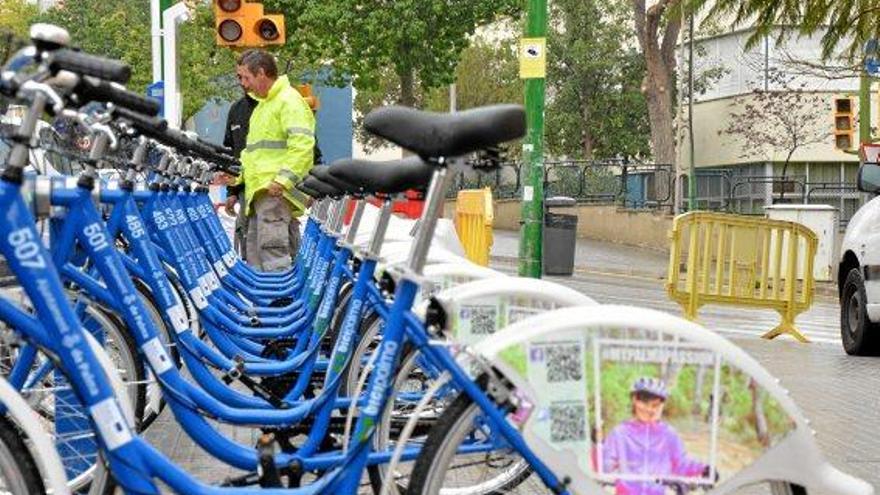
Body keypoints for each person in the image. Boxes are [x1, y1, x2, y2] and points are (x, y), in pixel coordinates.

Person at [232, 49, 315, 272]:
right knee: (258, 255)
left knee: (273, 255)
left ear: (261, 73)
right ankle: (266, 304)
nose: (244, 84)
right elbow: (253, 155)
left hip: (274, 193)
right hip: (262, 193)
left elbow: (302, 145)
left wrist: (282, 181)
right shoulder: (264, 105)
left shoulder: (288, 101)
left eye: (246, 77)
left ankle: (279, 302)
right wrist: (234, 178)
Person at [601, 377, 712, 495]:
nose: (649, 409)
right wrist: (598, 444)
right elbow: (605, 465)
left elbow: (681, 463)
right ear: (634, 400)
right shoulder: (620, 433)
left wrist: (703, 469)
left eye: (655, 404)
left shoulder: (669, 434)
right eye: (644, 402)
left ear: (662, 405)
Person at [222, 92, 257, 259]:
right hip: (245, 189)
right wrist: (232, 192)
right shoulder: (236, 109)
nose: (242, 82)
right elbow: (233, 153)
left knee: (275, 243)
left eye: (246, 77)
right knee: (246, 235)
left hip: (276, 189)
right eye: (240, 77)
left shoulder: (279, 104)